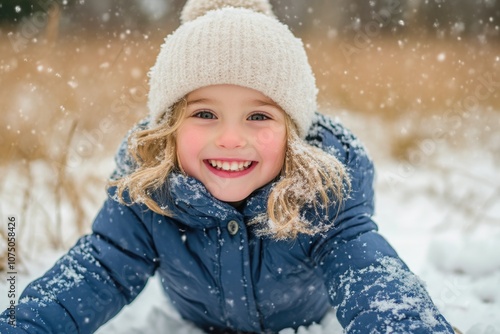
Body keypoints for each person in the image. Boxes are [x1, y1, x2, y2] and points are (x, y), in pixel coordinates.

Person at [0, 0, 455, 333]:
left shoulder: (321, 188)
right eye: (203, 114)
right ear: (170, 129)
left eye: (258, 116)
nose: (231, 138)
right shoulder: (149, 189)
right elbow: (99, 268)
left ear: (293, 132)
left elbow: (372, 277)